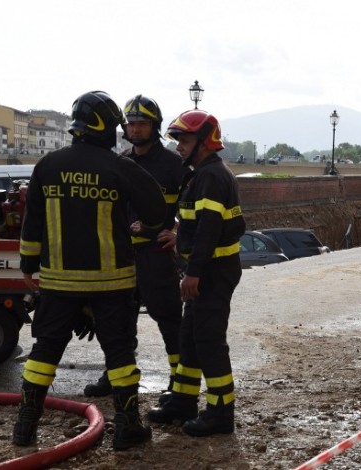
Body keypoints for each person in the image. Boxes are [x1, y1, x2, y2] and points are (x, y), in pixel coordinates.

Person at [13, 91, 166, 450]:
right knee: (120, 353)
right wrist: (141, 226)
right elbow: (157, 212)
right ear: (106, 127)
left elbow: (32, 225)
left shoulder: (47, 166)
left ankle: (24, 428)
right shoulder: (120, 167)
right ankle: (127, 428)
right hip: (112, 283)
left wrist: (28, 266)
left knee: (45, 350)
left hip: (58, 282)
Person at [83, 95, 189, 403]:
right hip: (121, 257)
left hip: (156, 256)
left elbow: (192, 207)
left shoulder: (174, 164)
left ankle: (178, 381)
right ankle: (116, 375)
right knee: (117, 321)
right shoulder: (120, 162)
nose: (135, 129)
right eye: (130, 124)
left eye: (142, 123)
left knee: (169, 319)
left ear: (154, 126)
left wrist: (177, 233)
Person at [147, 109, 246, 437]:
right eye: (177, 140)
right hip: (207, 270)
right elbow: (198, 226)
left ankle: (220, 413)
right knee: (189, 338)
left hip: (212, 273)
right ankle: (183, 401)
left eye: (185, 140)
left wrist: (194, 273)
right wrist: (180, 241)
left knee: (208, 341)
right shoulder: (203, 174)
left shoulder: (211, 177)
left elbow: (209, 229)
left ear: (204, 142)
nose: (178, 146)